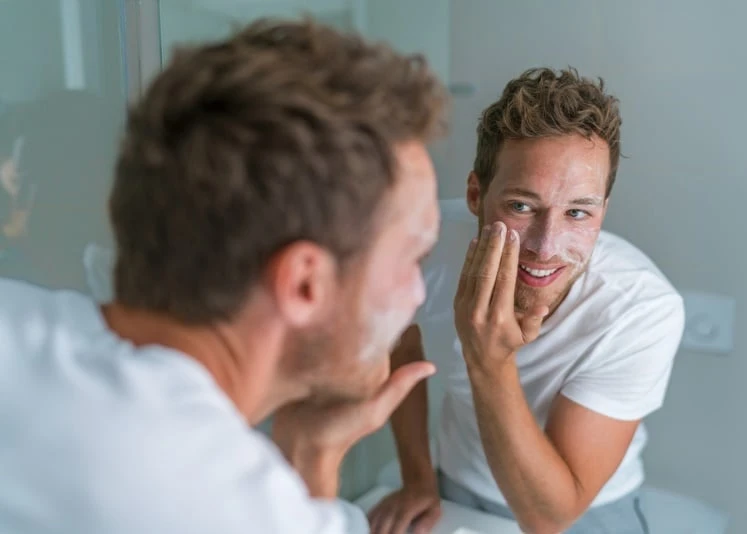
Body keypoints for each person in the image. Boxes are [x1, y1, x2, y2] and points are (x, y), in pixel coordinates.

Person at [0, 19, 447, 533]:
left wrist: (310, 451)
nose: (417, 295)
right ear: (305, 285)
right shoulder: (224, 506)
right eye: (413, 257)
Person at [368, 68, 684, 534]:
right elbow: (402, 347)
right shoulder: (426, 245)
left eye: (578, 212)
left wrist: (488, 359)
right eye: (521, 206)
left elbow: (549, 516)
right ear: (477, 194)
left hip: (586, 511)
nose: (545, 245)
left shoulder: (640, 309)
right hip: (456, 487)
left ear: (603, 211)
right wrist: (418, 478)